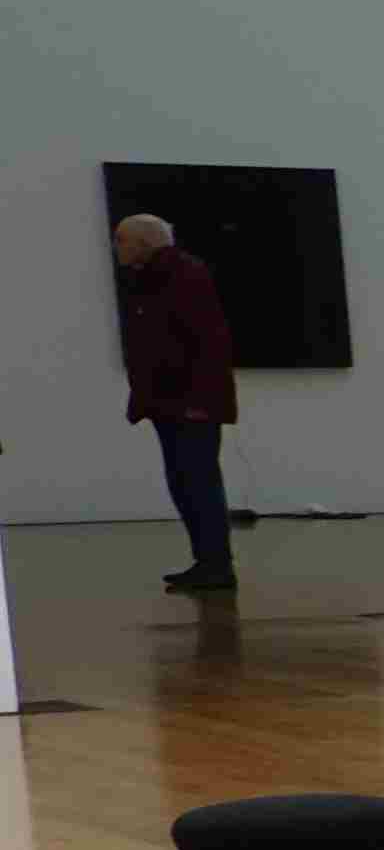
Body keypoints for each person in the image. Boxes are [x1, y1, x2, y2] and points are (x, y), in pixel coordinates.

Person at [113, 213, 241, 593]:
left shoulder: (184, 275)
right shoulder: (150, 279)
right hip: (168, 403)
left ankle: (217, 566)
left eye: (121, 239)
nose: (116, 247)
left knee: (198, 483)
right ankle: (206, 563)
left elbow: (209, 342)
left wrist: (200, 401)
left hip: (190, 404)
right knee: (184, 483)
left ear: (145, 243)